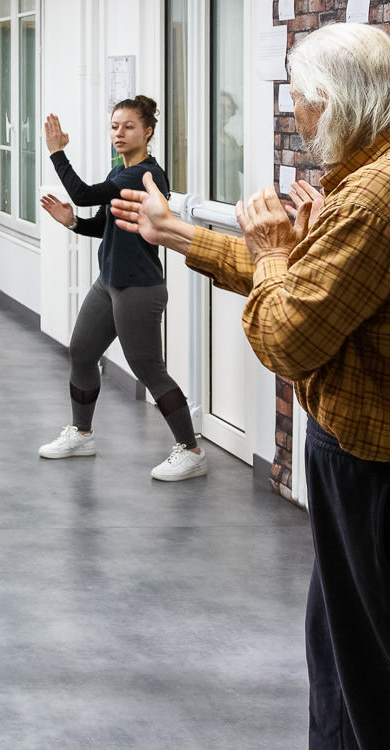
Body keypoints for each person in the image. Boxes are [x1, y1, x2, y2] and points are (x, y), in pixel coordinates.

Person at [109, 23, 390, 749]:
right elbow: (307, 287)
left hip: (367, 465)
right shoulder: (361, 184)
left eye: (300, 101)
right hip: (355, 456)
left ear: (336, 103)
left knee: (362, 667)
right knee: (334, 648)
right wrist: (177, 234)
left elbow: (287, 335)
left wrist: (271, 253)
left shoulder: (369, 201)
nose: (296, 116)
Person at [36, 97, 207, 481]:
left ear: (147, 131)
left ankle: (191, 451)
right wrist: (73, 223)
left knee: (149, 369)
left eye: (128, 126)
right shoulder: (121, 171)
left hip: (138, 288)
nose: (119, 133)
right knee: (81, 352)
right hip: (109, 282)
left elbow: (82, 193)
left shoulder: (142, 174)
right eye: (115, 126)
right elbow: (104, 223)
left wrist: (57, 152)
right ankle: (82, 434)